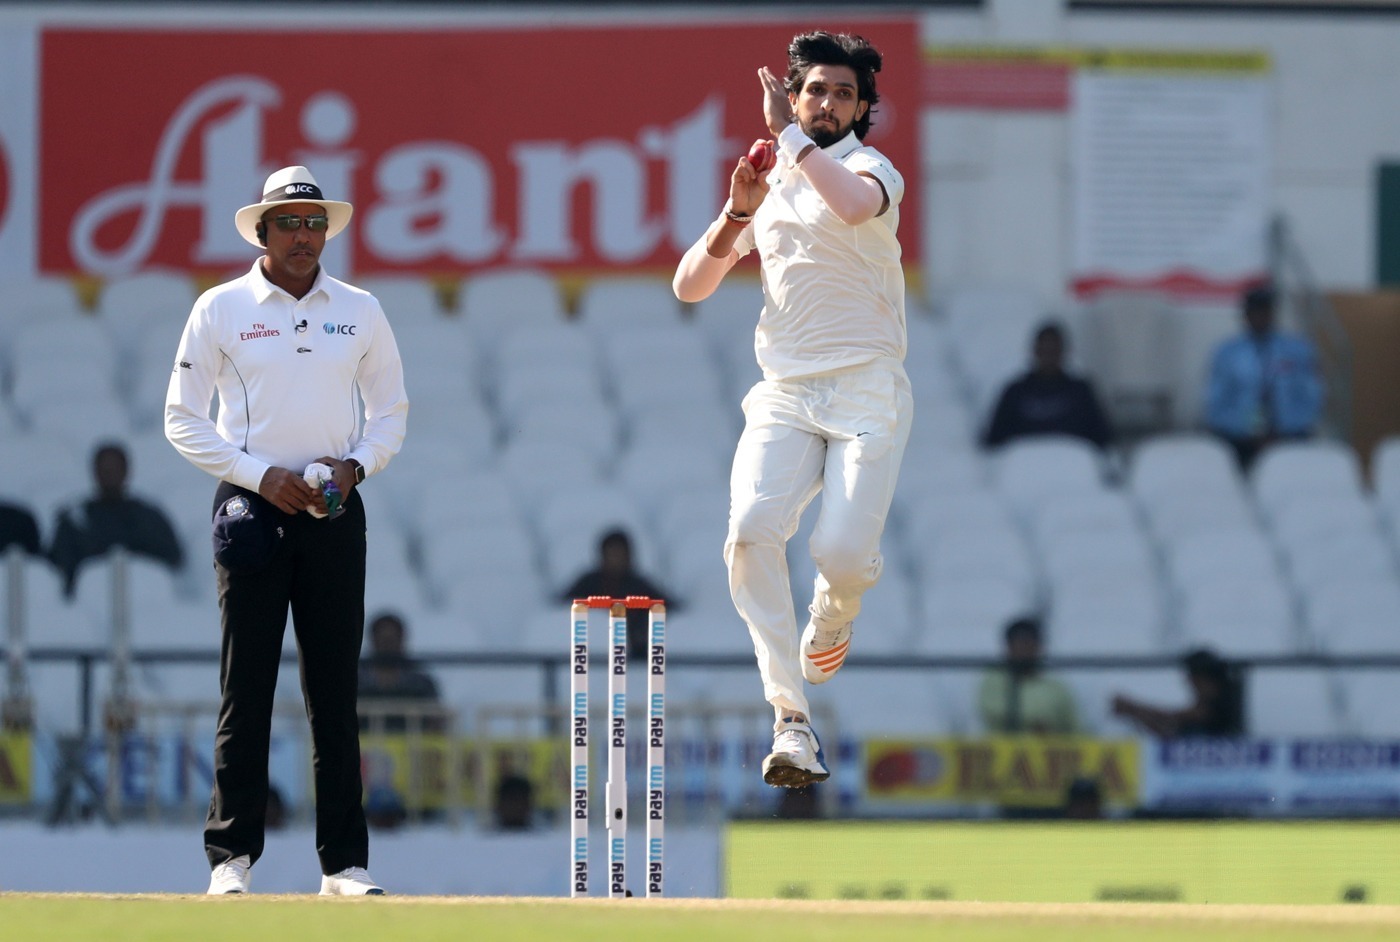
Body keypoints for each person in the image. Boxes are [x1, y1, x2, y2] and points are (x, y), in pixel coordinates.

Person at [672, 32, 911, 788]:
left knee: (836, 557)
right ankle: (791, 719)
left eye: (844, 94)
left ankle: (839, 602)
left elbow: (846, 210)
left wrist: (786, 134)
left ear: (863, 108)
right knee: (747, 534)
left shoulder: (871, 169)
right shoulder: (774, 174)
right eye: (814, 91)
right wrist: (737, 215)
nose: (827, 103)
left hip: (868, 389)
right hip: (785, 393)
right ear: (798, 94)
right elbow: (690, 286)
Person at [165, 165, 408, 896]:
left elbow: (391, 413)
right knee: (248, 687)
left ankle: (344, 865)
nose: (303, 237)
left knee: (335, 691)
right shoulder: (221, 308)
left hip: (333, 508)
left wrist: (356, 468)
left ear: (325, 231)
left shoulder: (360, 309)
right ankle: (230, 859)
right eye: (288, 225)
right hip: (251, 510)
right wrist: (256, 474)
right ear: (262, 232)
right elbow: (181, 418)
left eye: (314, 225)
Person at [1206, 284, 1323, 469]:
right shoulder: (1227, 353)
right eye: (1254, 312)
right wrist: (1245, 432)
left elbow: (1311, 395)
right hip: (1240, 442)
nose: (1259, 317)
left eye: (1265, 311)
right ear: (1245, 315)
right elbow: (1215, 401)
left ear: (1272, 313)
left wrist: (1286, 429)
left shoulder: (1297, 350)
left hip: (1289, 438)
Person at [46, 442, 184, 597]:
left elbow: (172, 560)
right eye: (104, 468)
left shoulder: (151, 518)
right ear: (94, 471)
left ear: (127, 470)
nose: (109, 473)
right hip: (89, 602)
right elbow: (60, 567)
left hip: (144, 598)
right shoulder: (74, 519)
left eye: (115, 468)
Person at [982, 322, 1112, 451]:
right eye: (1045, 350)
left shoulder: (1081, 391)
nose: (1049, 356)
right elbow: (994, 442)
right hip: (1024, 468)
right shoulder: (1015, 392)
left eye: (1053, 350)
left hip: (1071, 467)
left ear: (1063, 351)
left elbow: (1102, 439)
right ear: (1035, 351)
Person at [557, 529, 676, 660]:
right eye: (611, 553)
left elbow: (667, 606)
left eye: (620, 554)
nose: (616, 559)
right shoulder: (588, 582)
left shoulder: (640, 585)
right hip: (593, 654)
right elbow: (563, 606)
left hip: (635, 656)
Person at [977, 617, 1080, 736]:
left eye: (1030, 643)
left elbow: (1074, 726)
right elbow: (992, 711)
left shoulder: (1056, 688)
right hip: (1001, 751)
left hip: (1047, 751)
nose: (1024, 649)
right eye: (1020, 643)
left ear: (1039, 647)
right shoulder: (993, 679)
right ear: (1008, 647)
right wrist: (1033, 724)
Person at [1111, 648, 1244, 738]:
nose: (1190, 683)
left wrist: (1134, 708)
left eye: (1194, 678)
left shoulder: (1220, 705)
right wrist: (1135, 713)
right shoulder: (1200, 713)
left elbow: (1174, 716)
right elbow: (1169, 733)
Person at [358, 611, 443, 734]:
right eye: (382, 640)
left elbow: (437, 722)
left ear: (402, 640)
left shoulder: (421, 684)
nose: (387, 646)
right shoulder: (355, 683)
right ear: (373, 641)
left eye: (392, 640)